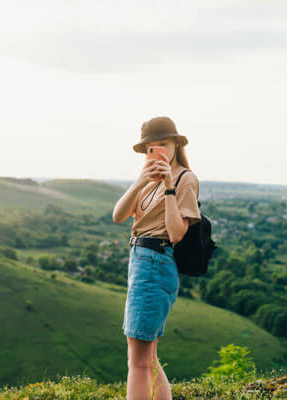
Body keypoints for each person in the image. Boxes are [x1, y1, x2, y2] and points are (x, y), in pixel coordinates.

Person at [112, 116, 201, 400]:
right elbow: (118, 216)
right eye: (152, 147)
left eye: (163, 144)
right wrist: (141, 181)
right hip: (141, 260)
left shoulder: (186, 179)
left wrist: (170, 187)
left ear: (176, 144)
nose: (157, 150)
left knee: (137, 362)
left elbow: (176, 234)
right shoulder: (147, 182)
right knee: (145, 358)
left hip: (155, 261)